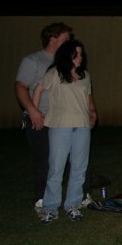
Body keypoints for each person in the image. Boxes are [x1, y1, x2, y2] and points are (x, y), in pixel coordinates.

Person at [15, 23, 98, 215]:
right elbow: (21, 87)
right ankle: (43, 201)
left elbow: (85, 92)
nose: (69, 41)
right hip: (45, 117)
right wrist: (32, 111)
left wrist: (92, 111)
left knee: (78, 163)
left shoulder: (77, 69)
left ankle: (77, 199)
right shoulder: (34, 61)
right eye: (66, 38)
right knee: (47, 162)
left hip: (76, 120)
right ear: (53, 38)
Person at [33, 40, 95, 225]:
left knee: (79, 167)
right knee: (56, 169)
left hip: (82, 127)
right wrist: (34, 112)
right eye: (76, 54)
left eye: (81, 54)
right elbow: (38, 89)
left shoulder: (84, 76)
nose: (79, 58)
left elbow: (88, 97)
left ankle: (73, 205)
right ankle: (50, 208)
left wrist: (93, 112)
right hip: (61, 127)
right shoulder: (55, 73)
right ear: (67, 55)